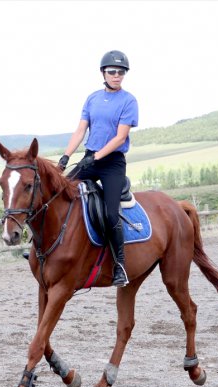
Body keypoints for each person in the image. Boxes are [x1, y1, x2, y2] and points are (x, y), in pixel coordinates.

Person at [57, 50, 139, 287]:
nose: (117, 75)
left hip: (112, 163)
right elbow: (81, 130)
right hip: (89, 157)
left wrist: (96, 158)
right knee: (59, 193)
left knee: (111, 213)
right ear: (103, 73)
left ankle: (119, 265)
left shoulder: (128, 101)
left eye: (121, 72)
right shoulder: (92, 99)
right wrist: (65, 157)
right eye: (112, 71)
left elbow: (119, 137)